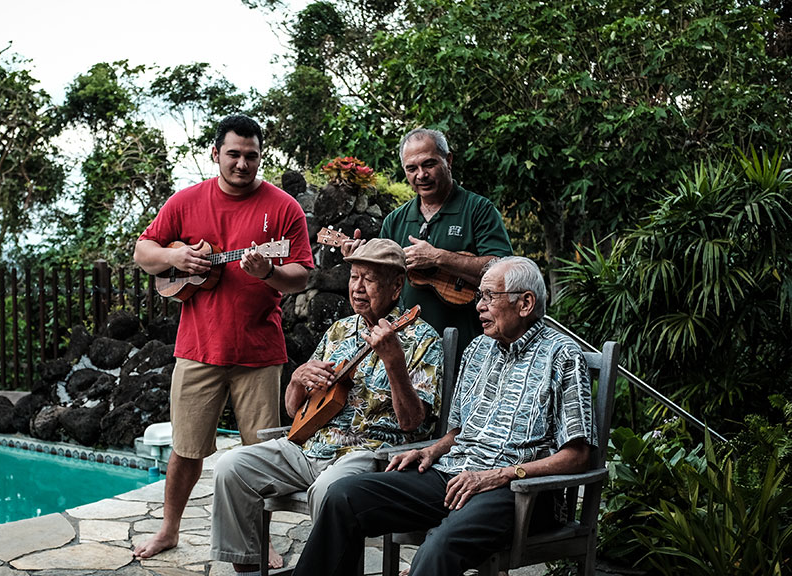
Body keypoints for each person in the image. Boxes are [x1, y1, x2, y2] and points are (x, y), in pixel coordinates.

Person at [292, 256, 595, 576]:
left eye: (490, 296)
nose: (479, 305)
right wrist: (430, 450)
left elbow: (578, 456)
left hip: (518, 493)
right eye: (480, 296)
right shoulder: (479, 349)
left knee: (437, 546)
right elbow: (457, 433)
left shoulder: (562, 355)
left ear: (525, 303)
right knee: (344, 497)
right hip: (454, 475)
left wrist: (502, 474)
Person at [133, 114, 314, 559]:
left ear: (260, 157)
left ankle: (260, 540)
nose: (242, 163)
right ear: (215, 154)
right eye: (233, 154)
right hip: (197, 348)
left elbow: (303, 275)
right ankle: (169, 529)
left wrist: (269, 271)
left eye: (251, 156)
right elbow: (144, 251)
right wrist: (178, 259)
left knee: (262, 454)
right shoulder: (186, 201)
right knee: (186, 447)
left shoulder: (284, 208)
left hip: (259, 350)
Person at [210, 239, 443, 576]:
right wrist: (297, 380)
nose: (358, 288)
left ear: (396, 287)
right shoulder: (339, 330)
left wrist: (394, 362)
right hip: (311, 449)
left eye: (370, 279)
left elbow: (413, 423)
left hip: (371, 455)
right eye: (354, 277)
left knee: (330, 490)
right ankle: (247, 567)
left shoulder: (421, 337)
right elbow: (294, 413)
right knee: (231, 466)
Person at [342, 128, 513, 350]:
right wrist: (361, 262)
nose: (421, 175)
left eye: (429, 164)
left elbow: (505, 273)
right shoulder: (395, 220)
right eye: (411, 168)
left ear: (448, 160)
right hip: (409, 353)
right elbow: (380, 290)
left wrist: (438, 258)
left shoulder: (478, 210)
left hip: (470, 346)